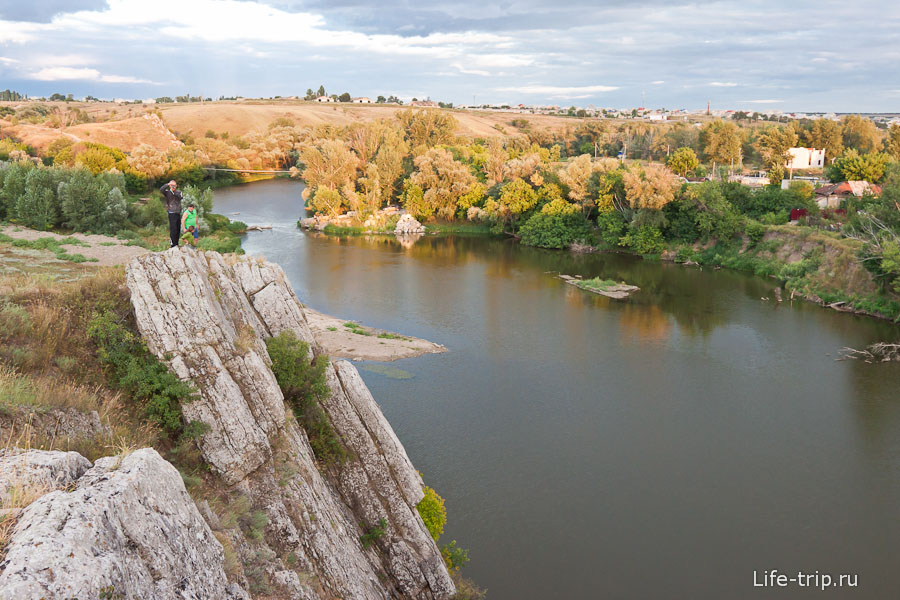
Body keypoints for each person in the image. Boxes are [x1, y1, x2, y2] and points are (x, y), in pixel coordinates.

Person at [159, 180, 183, 248]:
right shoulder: (167, 193)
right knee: (173, 228)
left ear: (176, 185)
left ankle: (176, 243)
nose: (173, 187)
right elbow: (161, 189)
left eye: (174, 185)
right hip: (171, 212)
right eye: (172, 185)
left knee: (178, 228)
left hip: (178, 212)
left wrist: (173, 191)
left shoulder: (179, 192)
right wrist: (168, 184)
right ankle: (172, 244)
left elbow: (180, 197)